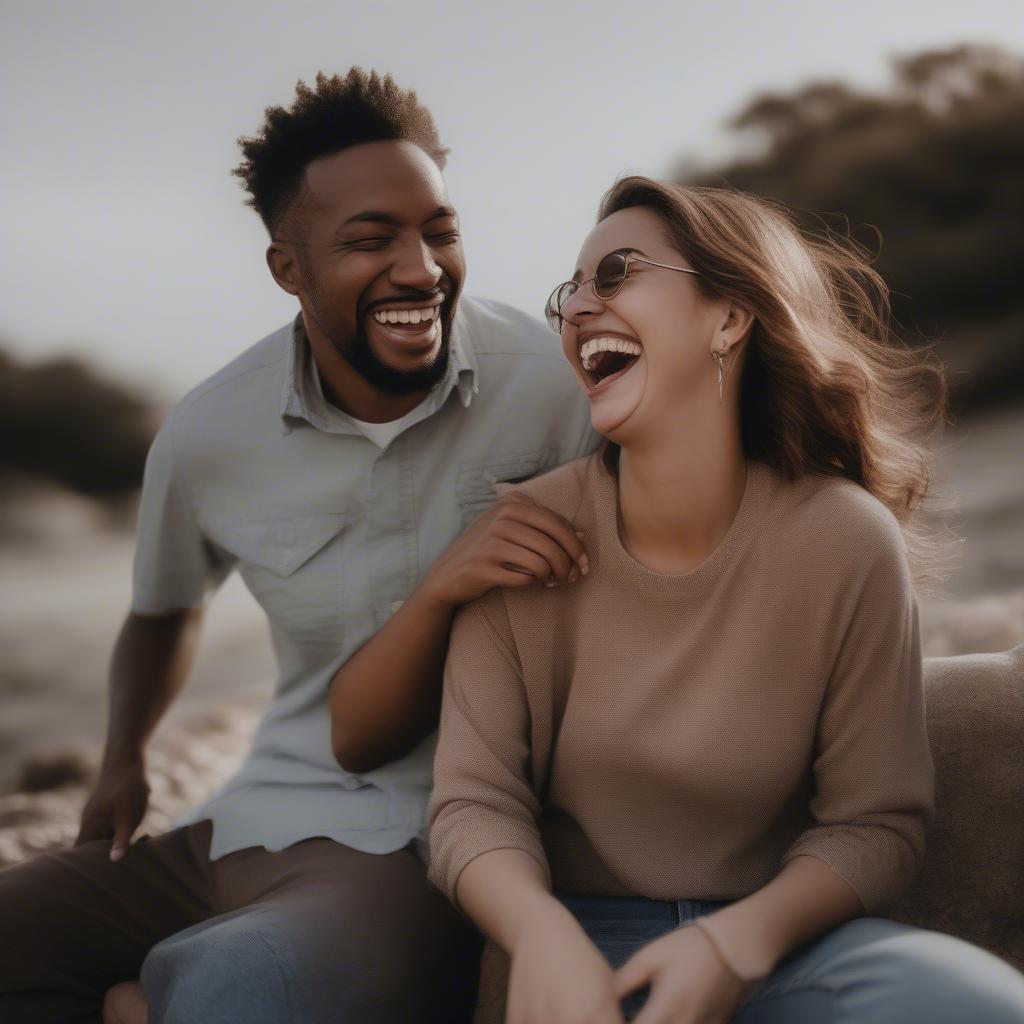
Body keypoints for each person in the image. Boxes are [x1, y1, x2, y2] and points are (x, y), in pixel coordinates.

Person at [0, 69, 599, 1023]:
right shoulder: (207, 432)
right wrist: (122, 760)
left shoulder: (559, 389)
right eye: (370, 240)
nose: (421, 268)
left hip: (430, 839)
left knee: (247, 988)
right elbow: (164, 611)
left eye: (439, 230)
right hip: (256, 818)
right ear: (289, 268)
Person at [426, 177, 1024, 1023]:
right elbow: (472, 804)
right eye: (572, 291)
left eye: (618, 272)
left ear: (730, 318)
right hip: (576, 954)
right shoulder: (523, 536)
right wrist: (539, 935)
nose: (580, 310)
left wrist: (731, 946)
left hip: (783, 945)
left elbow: (876, 822)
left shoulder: (846, 540)